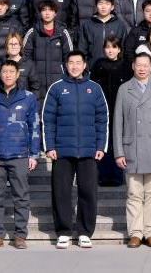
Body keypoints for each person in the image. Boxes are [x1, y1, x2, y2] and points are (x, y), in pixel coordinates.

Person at [42, 51, 109, 250]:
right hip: (62, 150)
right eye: (71, 62)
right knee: (61, 193)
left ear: (84, 65)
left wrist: (101, 146)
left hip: (88, 150)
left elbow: (102, 119)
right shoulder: (56, 88)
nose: (74, 66)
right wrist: (49, 146)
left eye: (78, 62)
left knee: (88, 192)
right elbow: (47, 120)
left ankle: (85, 232)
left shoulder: (94, 88)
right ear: (66, 65)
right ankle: (63, 232)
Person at [0, 60, 41, 249]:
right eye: (5, 71)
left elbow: (35, 126)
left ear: (17, 74)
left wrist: (34, 154)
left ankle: (20, 235)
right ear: (0, 74)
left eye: (12, 71)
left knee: (21, 197)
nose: (8, 75)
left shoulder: (27, 97)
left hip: (19, 154)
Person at [114, 53, 151, 248]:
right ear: (133, 66)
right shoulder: (124, 89)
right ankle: (135, 232)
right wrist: (119, 152)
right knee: (134, 193)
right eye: (138, 65)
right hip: (131, 148)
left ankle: (150, 232)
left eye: (145, 65)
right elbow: (117, 122)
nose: (142, 68)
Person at [92, 37, 132, 188]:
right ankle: (103, 175)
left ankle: (117, 175)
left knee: (118, 142)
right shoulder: (98, 65)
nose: (111, 50)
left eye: (114, 47)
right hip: (102, 110)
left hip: (120, 110)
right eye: (108, 47)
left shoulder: (126, 66)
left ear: (119, 49)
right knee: (104, 142)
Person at [21, 0, 74, 100]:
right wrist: (31, 75)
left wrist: (64, 75)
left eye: (50, 10)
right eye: (44, 10)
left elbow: (70, 57)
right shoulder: (32, 32)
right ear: (40, 13)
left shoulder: (63, 32)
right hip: (37, 82)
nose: (47, 13)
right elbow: (25, 57)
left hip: (58, 80)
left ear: (55, 13)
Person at [80, 0, 130, 64]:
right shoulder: (87, 25)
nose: (103, 7)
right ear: (96, 6)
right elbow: (82, 48)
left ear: (112, 7)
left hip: (115, 66)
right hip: (93, 66)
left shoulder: (120, 25)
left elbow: (124, 47)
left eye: (107, 4)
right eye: (100, 3)